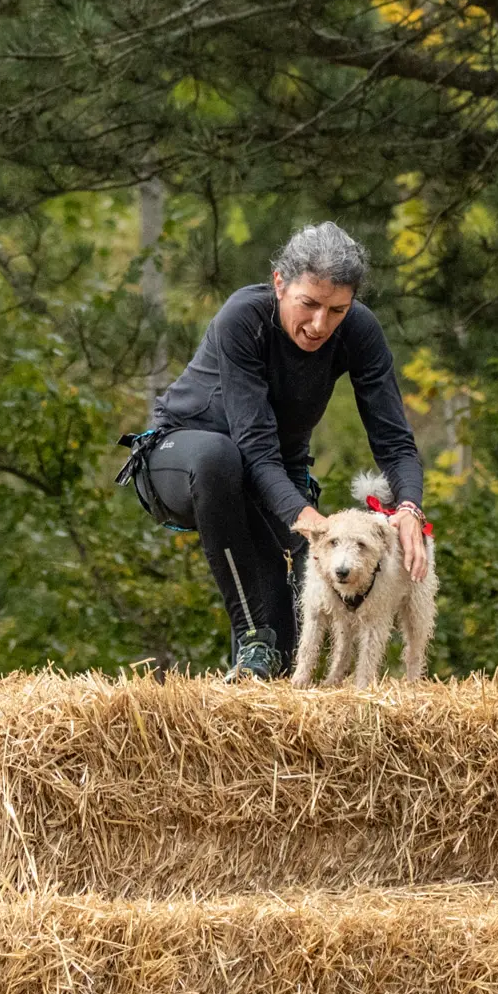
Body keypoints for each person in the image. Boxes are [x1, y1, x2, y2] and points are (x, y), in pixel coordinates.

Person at [121, 221, 431, 679]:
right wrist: (304, 515)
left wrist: (408, 507)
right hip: (181, 458)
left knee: (286, 655)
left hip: (267, 476)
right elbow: (253, 447)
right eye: (308, 304)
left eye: (337, 310)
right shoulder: (243, 318)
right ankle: (252, 639)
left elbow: (394, 441)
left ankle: (257, 672)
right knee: (218, 457)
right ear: (280, 284)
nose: (319, 324)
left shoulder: (360, 331)